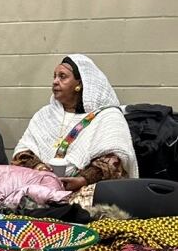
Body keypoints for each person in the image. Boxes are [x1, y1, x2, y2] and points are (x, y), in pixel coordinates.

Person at [13, 54, 138, 201]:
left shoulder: (107, 116)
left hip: (85, 187)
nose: (55, 82)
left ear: (80, 84)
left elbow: (115, 160)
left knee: (93, 199)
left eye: (62, 77)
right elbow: (22, 152)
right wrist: (42, 170)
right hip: (41, 183)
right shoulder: (44, 114)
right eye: (54, 76)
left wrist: (83, 180)